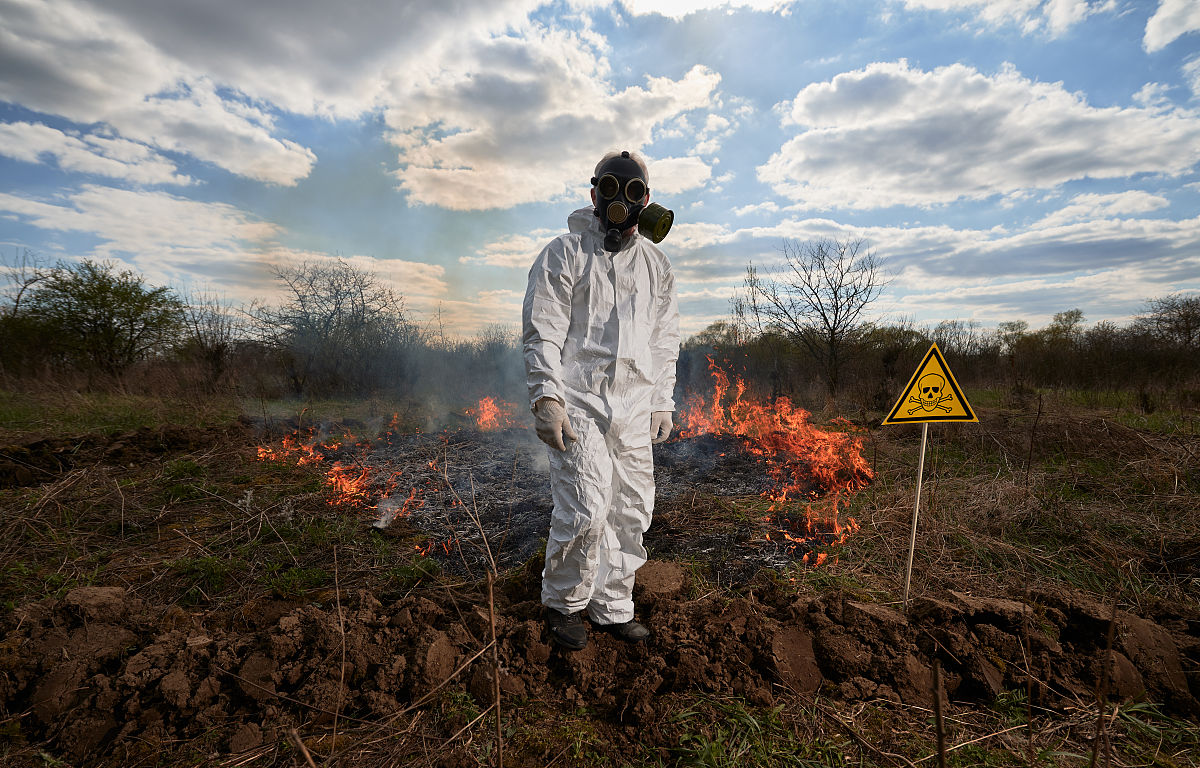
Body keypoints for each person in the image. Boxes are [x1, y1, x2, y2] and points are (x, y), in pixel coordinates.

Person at [522, 149, 680, 651]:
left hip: (635, 406)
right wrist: (547, 395)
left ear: (646, 200)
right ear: (594, 192)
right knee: (587, 507)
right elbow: (543, 330)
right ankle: (564, 604)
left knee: (630, 510)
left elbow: (663, 340)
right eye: (610, 187)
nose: (620, 200)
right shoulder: (564, 253)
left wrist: (662, 400)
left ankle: (612, 607)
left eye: (632, 191)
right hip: (579, 402)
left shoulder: (656, 265)